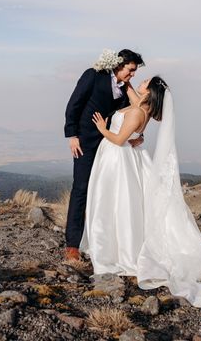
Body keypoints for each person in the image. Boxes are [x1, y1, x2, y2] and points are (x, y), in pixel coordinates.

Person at [80, 76, 201, 308]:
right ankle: (115, 245)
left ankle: (113, 252)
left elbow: (120, 139)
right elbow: (133, 102)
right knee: (121, 204)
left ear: (150, 92)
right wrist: (123, 77)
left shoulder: (137, 113)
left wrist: (102, 128)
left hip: (116, 158)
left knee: (112, 203)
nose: (140, 81)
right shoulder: (145, 108)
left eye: (144, 81)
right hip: (123, 158)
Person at [63, 49, 145, 261]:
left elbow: (135, 114)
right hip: (85, 143)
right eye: (131, 70)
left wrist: (139, 135)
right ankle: (72, 244)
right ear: (120, 65)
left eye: (134, 71)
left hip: (111, 146)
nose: (132, 74)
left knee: (105, 192)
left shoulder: (125, 88)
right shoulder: (93, 75)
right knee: (81, 188)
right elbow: (75, 103)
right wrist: (72, 134)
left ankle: (102, 241)